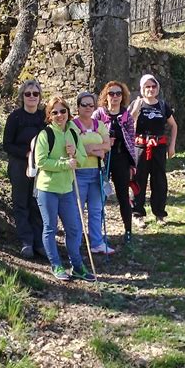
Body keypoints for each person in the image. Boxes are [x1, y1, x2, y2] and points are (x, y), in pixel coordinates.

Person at [34, 95, 95, 282]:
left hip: (67, 188)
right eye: (55, 112)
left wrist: (75, 153)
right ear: (49, 116)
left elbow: (83, 159)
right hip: (47, 189)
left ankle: (77, 266)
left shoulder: (73, 133)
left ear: (68, 113)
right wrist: (65, 164)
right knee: (50, 228)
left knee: (74, 228)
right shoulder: (45, 134)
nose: (59, 115)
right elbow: (41, 162)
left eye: (63, 111)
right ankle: (56, 265)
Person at [3, 79, 46, 259]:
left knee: (37, 203)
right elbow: (7, 144)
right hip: (20, 164)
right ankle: (26, 241)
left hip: (41, 165)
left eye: (35, 94)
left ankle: (39, 242)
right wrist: (26, 154)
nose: (31, 97)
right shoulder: (15, 117)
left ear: (39, 96)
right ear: (22, 96)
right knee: (21, 203)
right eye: (28, 94)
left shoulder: (43, 117)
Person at [129, 74, 178, 227]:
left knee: (159, 181)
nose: (150, 89)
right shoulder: (136, 104)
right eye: (147, 86)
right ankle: (137, 214)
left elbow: (174, 126)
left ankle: (160, 214)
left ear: (157, 88)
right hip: (140, 148)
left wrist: (172, 146)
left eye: (153, 86)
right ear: (142, 88)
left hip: (158, 149)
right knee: (139, 181)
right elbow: (129, 125)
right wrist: (135, 112)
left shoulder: (163, 106)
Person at [93, 81, 136, 244]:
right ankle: (98, 233)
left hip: (121, 159)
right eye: (112, 93)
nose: (115, 97)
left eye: (119, 93)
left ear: (123, 96)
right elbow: (88, 132)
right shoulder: (98, 114)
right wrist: (103, 141)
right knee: (99, 196)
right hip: (102, 158)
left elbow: (131, 140)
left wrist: (132, 165)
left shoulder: (126, 116)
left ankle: (128, 230)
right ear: (106, 96)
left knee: (123, 196)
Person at [73, 92, 114, 255]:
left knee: (96, 209)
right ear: (78, 107)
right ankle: (74, 243)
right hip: (79, 173)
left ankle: (97, 242)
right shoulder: (72, 126)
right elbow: (72, 147)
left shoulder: (99, 124)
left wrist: (93, 149)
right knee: (77, 211)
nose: (88, 108)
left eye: (91, 105)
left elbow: (108, 145)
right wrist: (94, 150)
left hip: (98, 172)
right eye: (84, 105)